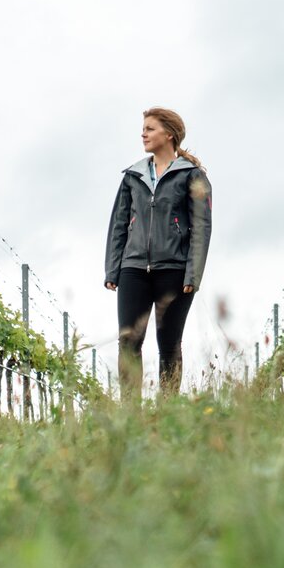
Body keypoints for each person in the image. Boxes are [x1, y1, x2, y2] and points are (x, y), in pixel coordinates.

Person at [104, 107, 212, 397]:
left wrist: (193, 273)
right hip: (133, 269)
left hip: (175, 271)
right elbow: (119, 224)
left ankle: (167, 414)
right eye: (143, 128)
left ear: (169, 134)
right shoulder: (132, 177)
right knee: (129, 342)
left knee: (169, 344)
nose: (143, 134)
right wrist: (113, 269)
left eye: (150, 129)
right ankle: (129, 417)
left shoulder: (192, 176)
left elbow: (201, 229)